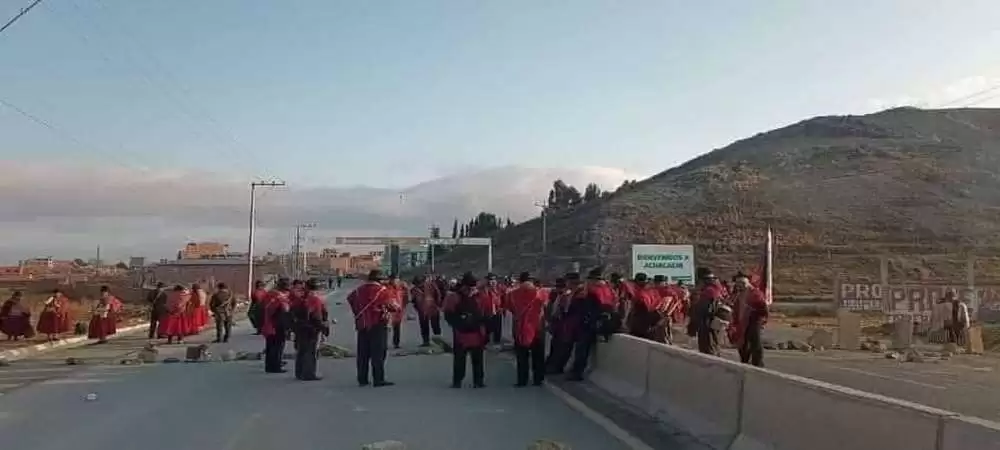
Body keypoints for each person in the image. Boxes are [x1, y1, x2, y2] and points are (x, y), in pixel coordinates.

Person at [347, 269, 396, 387]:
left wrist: (358, 313)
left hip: (362, 324)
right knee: (378, 353)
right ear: (380, 280)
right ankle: (378, 379)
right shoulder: (383, 291)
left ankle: (362, 378)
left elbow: (350, 299)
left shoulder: (358, 291)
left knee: (363, 353)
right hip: (378, 324)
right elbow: (393, 306)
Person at [567, 267, 616, 381]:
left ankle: (577, 372)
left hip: (588, 322)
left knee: (581, 348)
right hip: (605, 322)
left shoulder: (590, 290)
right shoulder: (609, 290)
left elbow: (577, 305)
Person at [444, 272, 489, 388]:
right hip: (461, 332)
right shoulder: (454, 296)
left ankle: (478, 380)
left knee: (478, 358)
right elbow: (448, 314)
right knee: (459, 358)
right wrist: (458, 323)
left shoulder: (480, 296)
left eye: (473, 287)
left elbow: (486, 314)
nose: (471, 290)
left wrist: (485, 328)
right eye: (469, 287)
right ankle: (457, 380)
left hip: (476, 332)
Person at [506, 272, 548, 387]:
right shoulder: (541, 293)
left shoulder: (512, 294)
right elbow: (546, 306)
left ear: (520, 281)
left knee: (522, 356)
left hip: (520, 328)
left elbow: (510, 309)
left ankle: (522, 380)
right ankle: (538, 379)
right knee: (538, 356)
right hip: (537, 328)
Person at [292, 279, 330, 381]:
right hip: (311, 328)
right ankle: (308, 373)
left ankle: (299, 372)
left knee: (301, 350)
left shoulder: (300, 298)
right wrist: (324, 328)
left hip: (300, 327)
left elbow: (292, 312)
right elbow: (316, 316)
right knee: (310, 351)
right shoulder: (315, 299)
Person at [687, 269, 730, 356]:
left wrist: (693, 324)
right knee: (713, 343)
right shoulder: (718, 288)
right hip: (713, 322)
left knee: (708, 347)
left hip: (707, 323)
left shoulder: (709, 291)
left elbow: (703, 310)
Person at [729, 273, 768, 367]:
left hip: (753, 321)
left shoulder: (755, 293)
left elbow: (763, 308)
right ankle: (745, 362)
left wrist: (761, 319)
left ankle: (758, 364)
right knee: (742, 344)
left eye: (742, 283)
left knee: (755, 342)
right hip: (741, 322)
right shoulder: (738, 294)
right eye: (738, 283)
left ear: (748, 282)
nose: (740, 285)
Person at [262, 279, 292, 373]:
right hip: (277, 326)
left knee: (270, 346)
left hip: (269, 324)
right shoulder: (279, 297)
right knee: (277, 346)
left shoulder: (270, 294)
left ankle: (269, 366)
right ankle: (275, 366)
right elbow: (283, 312)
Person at [545, 277, 574, 374]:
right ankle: (552, 365)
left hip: (562, 326)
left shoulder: (565, 296)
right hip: (558, 326)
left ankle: (555, 367)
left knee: (560, 348)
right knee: (556, 346)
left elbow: (560, 311)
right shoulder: (557, 295)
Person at [411, 274, 442, 347]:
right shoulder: (414, 290)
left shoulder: (431, 285)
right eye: (416, 284)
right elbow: (414, 300)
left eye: (419, 283)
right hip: (422, 310)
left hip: (433, 308)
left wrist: (438, 305)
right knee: (424, 326)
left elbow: (438, 294)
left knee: (435, 326)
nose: (418, 285)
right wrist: (417, 308)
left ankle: (438, 341)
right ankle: (426, 341)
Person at [385, 274, 406, 349]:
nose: (396, 281)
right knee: (387, 328)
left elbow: (406, 298)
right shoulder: (386, 288)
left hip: (398, 311)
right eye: (394, 279)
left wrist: (403, 307)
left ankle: (396, 343)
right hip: (389, 311)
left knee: (397, 328)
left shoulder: (401, 288)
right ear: (390, 280)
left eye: (397, 279)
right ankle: (384, 344)